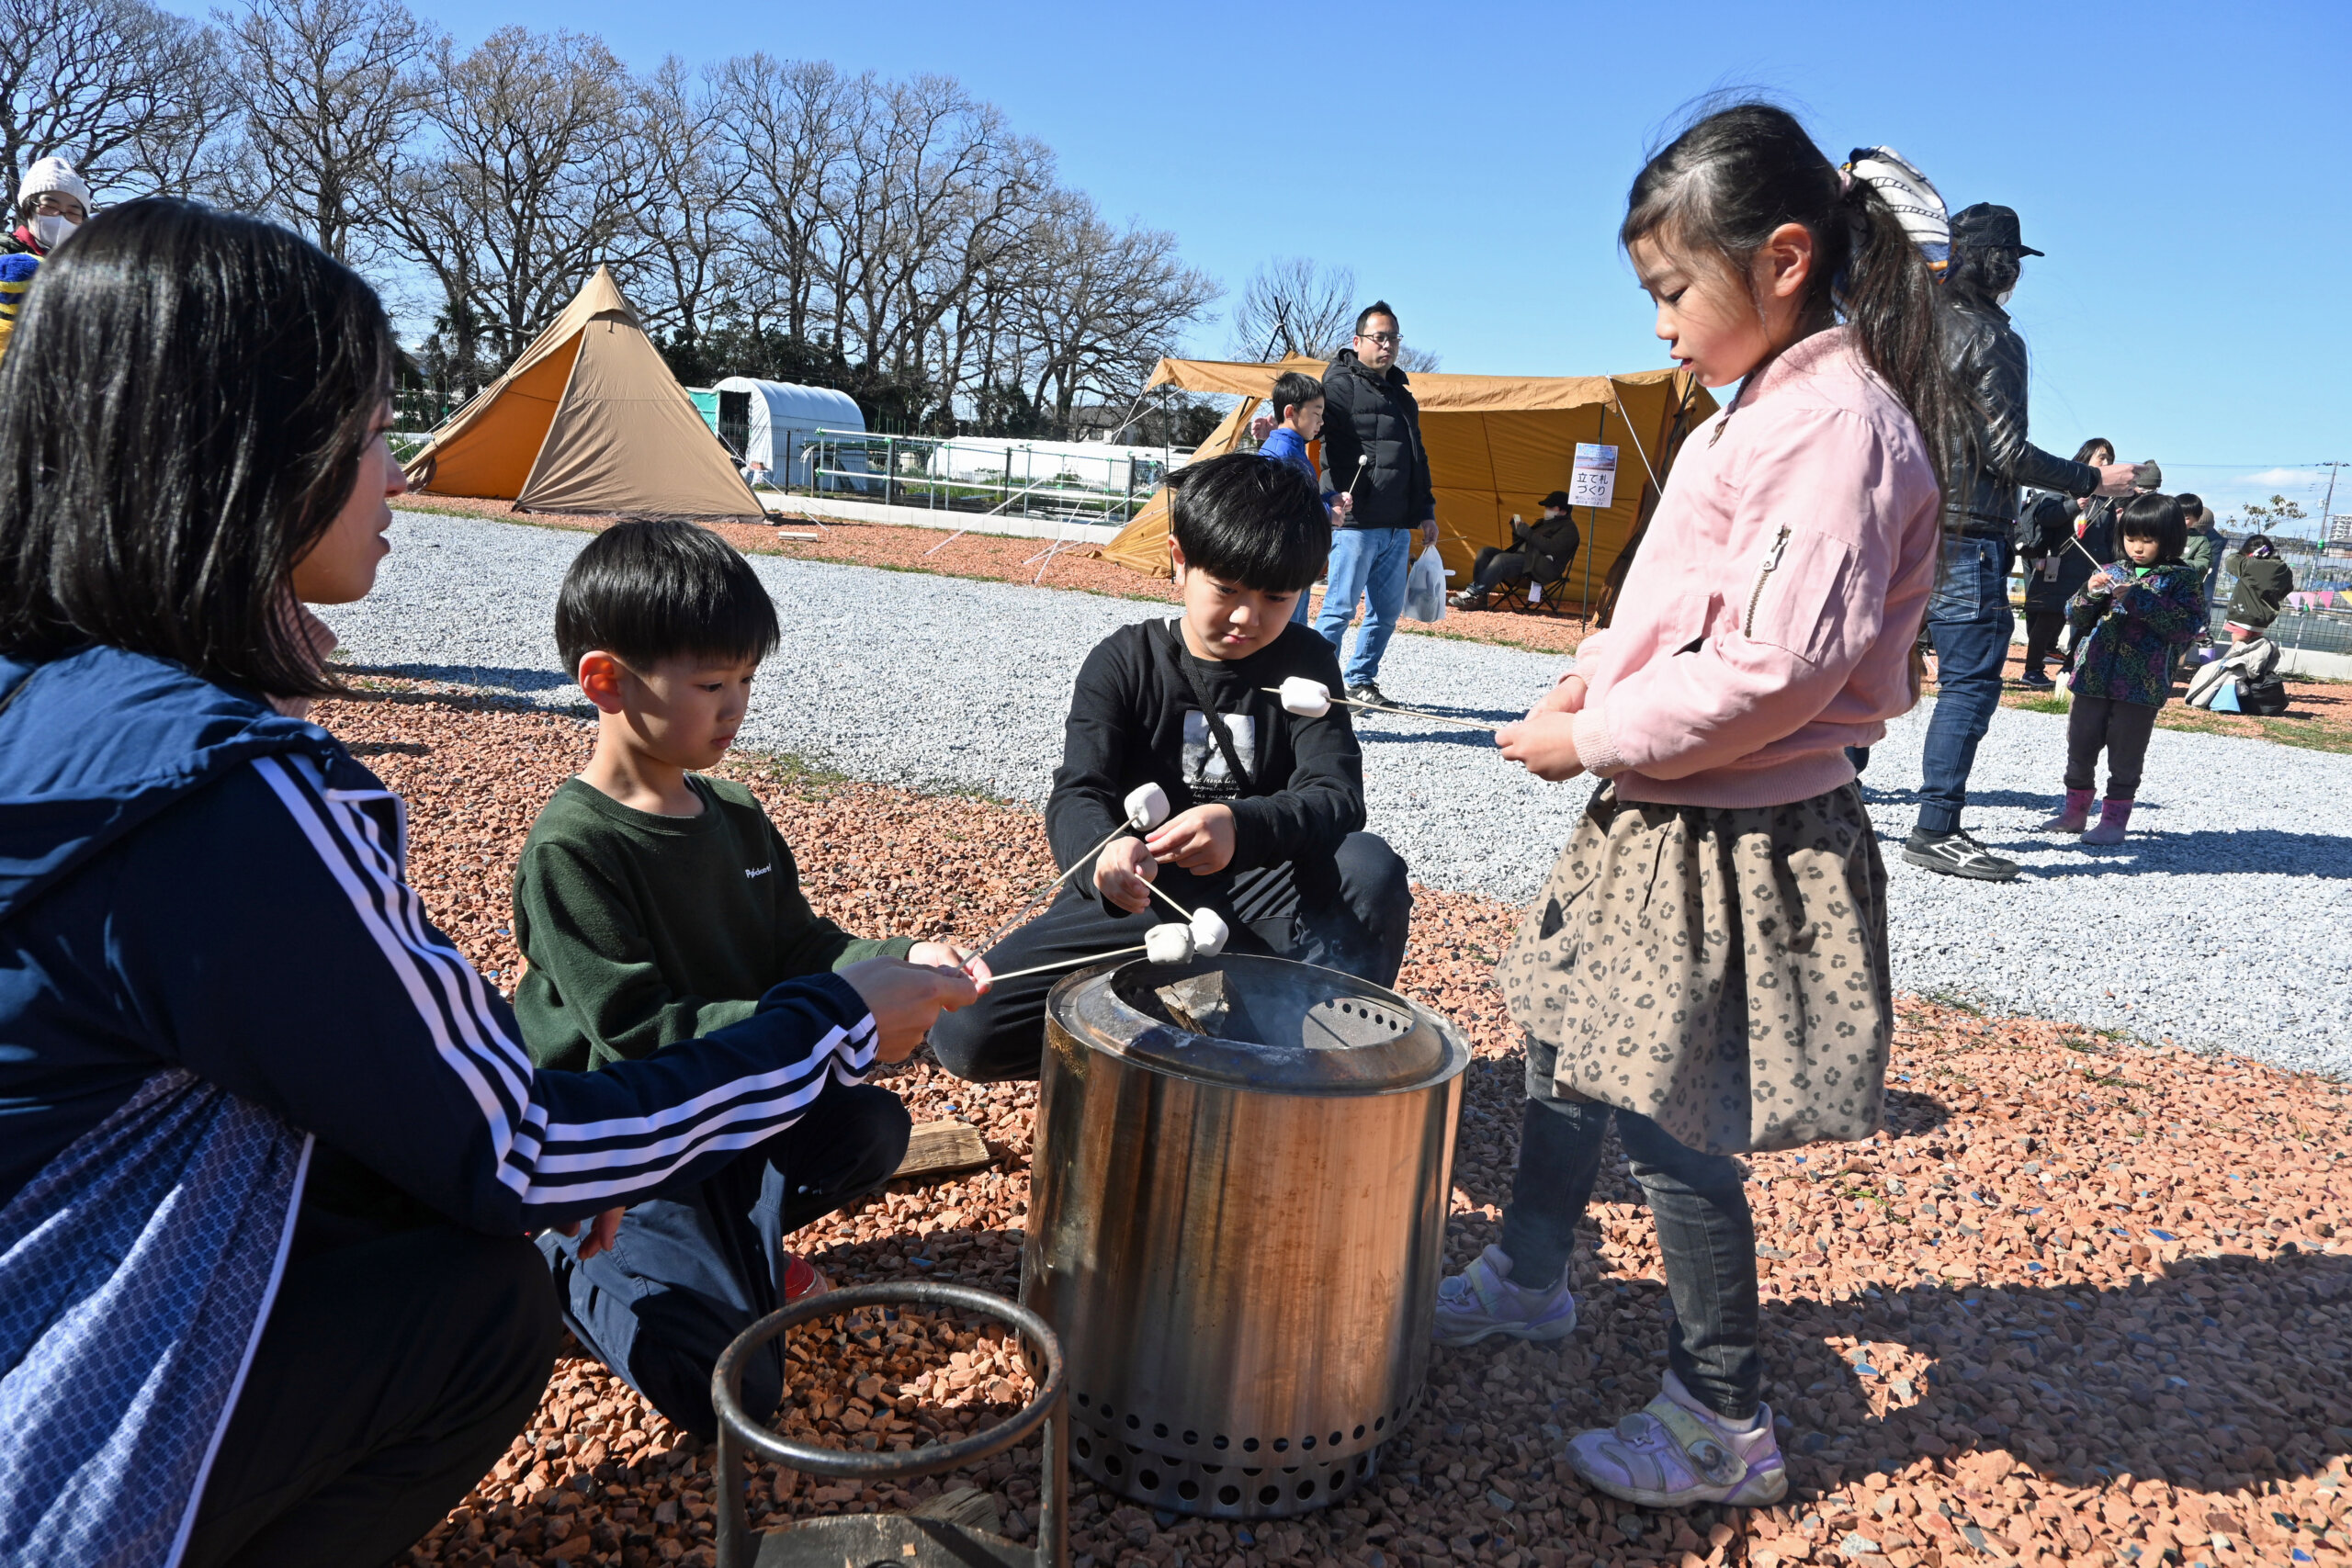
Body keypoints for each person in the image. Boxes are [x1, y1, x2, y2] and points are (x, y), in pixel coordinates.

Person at [0, 198, 978, 1568]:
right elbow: (522, 1140)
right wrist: (832, 1019)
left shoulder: (48, 708)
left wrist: (857, 988)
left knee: (830, 1137)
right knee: (488, 1299)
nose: (395, 474)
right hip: (52, 1409)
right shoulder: (233, 793)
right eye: (365, 433)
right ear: (243, 458)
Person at [1434, 104, 1950, 1510]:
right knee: (1561, 1039)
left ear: (1783, 259)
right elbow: (1667, 607)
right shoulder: (1758, 411)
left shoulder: (1836, 426)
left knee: (1667, 1124)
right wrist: (1583, 682)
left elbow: (1778, 666)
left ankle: (1723, 1413)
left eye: (1672, 291)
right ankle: (1534, 1271)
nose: (1660, 324)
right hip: (1668, 803)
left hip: (1736, 826)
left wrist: (1592, 733)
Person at [512, 520, 982, 1438]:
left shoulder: (732, 813)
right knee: (731, 1393)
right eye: (711, 686)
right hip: (630, 1152)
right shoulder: (573, 846)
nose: (735, 709)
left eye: (746, 684)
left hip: (730, 1109)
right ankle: (557, 1262)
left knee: (873, 1127)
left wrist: (897, 959)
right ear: (605, 681)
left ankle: (738, 1242)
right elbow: (639, 1034)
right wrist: (822, 1023)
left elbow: (801, 950)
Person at [929, 453, 1411, 1082]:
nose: (1248, 617)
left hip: (1260, 890)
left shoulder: (1308, 660)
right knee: (968, 1034)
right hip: (1146, 899)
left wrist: (1239, 825)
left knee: (1368, 868)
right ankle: (1169, 1022)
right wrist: (1102, 863)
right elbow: (1080, 792)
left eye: (1276, 597)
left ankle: (1301, 1056)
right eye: (1228, 589)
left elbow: (1337, 795)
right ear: (1181, 562)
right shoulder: (1124, 662)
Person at [1905, 204, 2140, 882]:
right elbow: (2005, 452)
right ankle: (1937, 825)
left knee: (1876, 668)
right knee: (1969, 683)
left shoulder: (1909, 322)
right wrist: (2096, 479)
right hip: (1966, 530)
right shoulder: (1991, 338)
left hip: (1896, 524)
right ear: (2001, 265)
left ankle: (1832, 800)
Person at [2041, 493, 2206, 845]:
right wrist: (2090, 591)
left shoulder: (2182, 579)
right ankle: (2075, 813)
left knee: (2126, 755)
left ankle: (2114, 821)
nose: (2138, 548)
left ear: (2171, 537)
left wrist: (2137, 598)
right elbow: (2074, 614)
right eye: (2131, 538)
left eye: (2148, 540)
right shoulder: (2111, 570)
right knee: (2080, 747)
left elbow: (2186, 627)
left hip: (2140, 686)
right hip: (2091, 678)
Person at [1316, 300, 1439, 707]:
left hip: (1396, 526)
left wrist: (1426, 511)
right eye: (1379, 337)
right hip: (1355, 524)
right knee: (1338, 610)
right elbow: (1310, 430)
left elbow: (1417, 458)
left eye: (1393, 338)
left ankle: (1359, 680)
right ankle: (1315, 684)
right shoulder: (1337, 386)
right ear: (1358, 341)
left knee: (1385, 614)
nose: (1387, 345)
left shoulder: (1404, 397)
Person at [1257, 368, 1341, 625]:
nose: (1321, 422)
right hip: (1284, 562)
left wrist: (1330, 500)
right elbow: (1283, 509)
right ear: (1291, 412)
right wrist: (1329, 514)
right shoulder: (1284, 454)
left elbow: (1301, 498)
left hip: (1292, 558)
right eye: (1316, 413)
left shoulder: (1291, 448)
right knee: (1285, 634)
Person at [0, 155, 91, 359]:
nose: (61, 216)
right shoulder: (5, 253)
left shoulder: (86, 268)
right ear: (28, 207)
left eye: (73, 213)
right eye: (50, 207)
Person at [1451, 491, 1581, 610]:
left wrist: (1528, 533)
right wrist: (1517, 531)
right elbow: (1524, 543)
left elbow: (1551, 548)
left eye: (1550, 507)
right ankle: (1481, 599)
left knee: (1502, 559)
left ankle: (1473, 595)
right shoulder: (1544, 523)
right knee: (1485, 552)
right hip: (1524, 560)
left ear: (1563, 510)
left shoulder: (1569, 530)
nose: (1546, 510)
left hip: (1541, 568)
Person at [2225, 534, 2293, 641]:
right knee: (2251, 654)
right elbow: (2287, 589)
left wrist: (2251, 557)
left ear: (2248, 553)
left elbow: (2230, 560)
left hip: (2241, 617)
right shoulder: (2284, 569)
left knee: (2237, 653)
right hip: (2262, 621)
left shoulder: (2249, 565)